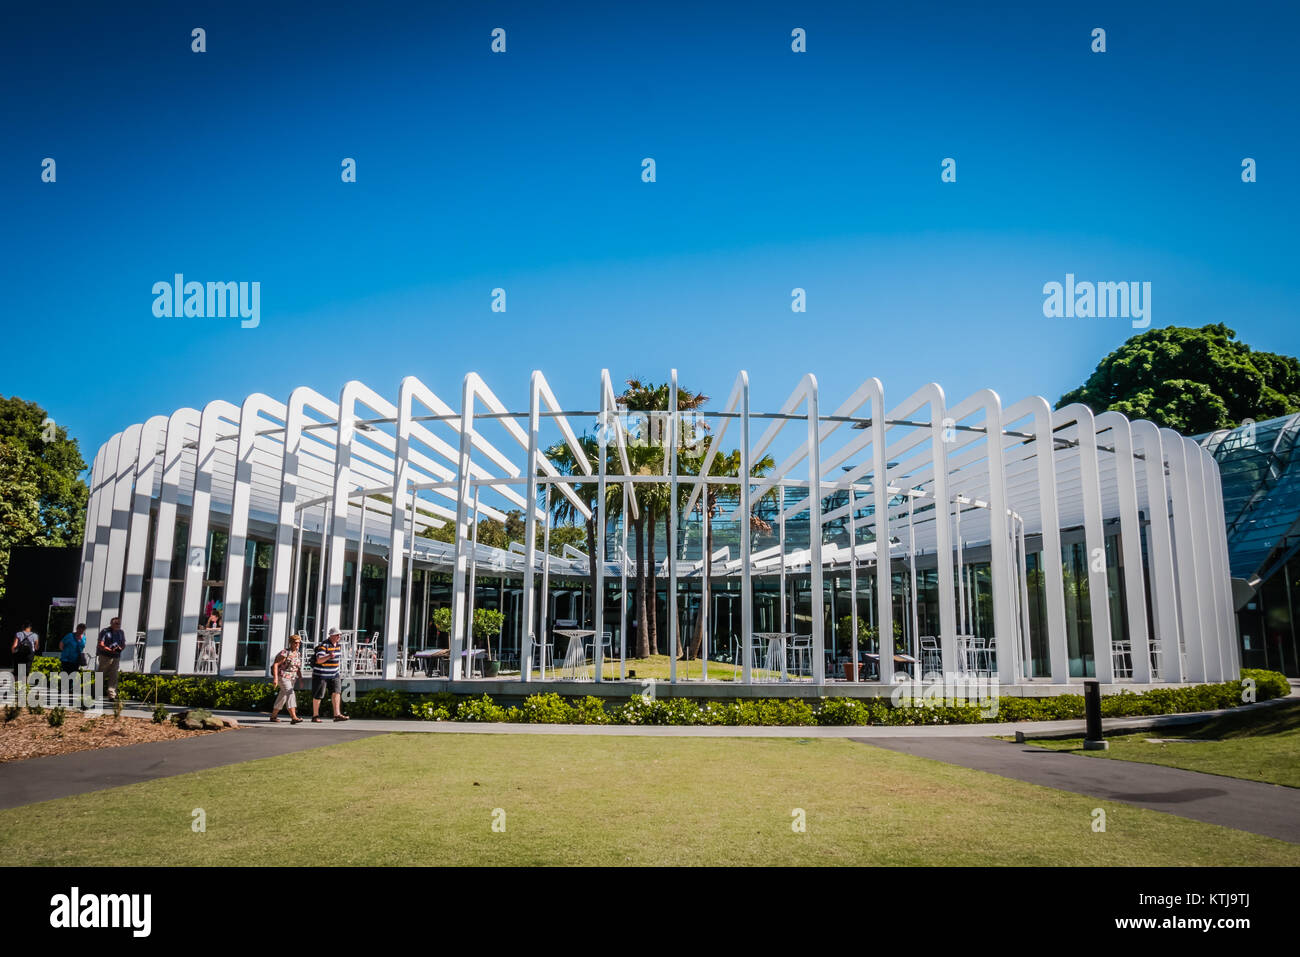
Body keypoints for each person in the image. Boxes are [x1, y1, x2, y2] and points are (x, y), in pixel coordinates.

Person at [310, 628, 350, 723]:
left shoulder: (338, 646)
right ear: (331, 635)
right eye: (337, 635)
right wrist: (328, 656)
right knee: (318, 695)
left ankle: (337, 714)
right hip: (321, 674)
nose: (339, 637)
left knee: (337, 692)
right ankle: (315, 716)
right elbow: (319, 660)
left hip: (334, 673)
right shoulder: (324, 645)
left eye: (339, 635)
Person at [269, 634, 303, 724]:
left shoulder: (298, 653)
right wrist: (275, 678)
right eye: (295, 643)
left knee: (282, 696)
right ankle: (294, 717)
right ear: (291, 643)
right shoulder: (285, 653)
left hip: (292, 678)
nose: (297, 645)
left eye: (299, 643)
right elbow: (276, 664)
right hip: (283, 677)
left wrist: (300, 678)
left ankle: (273, 716)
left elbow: (297, 667)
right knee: (290, 693)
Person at [96, 616, 127, 702]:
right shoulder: (105, 631)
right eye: (116, 623)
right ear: (111, 623)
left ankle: (111, 695)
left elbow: (123, 643)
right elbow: (101, 644)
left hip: (116, 657)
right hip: (105, 656)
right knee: (101, 674)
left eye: (119, 624)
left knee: (114, 675)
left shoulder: (121, 632)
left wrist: (120, 649)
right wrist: (110, 650)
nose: (118, 625)